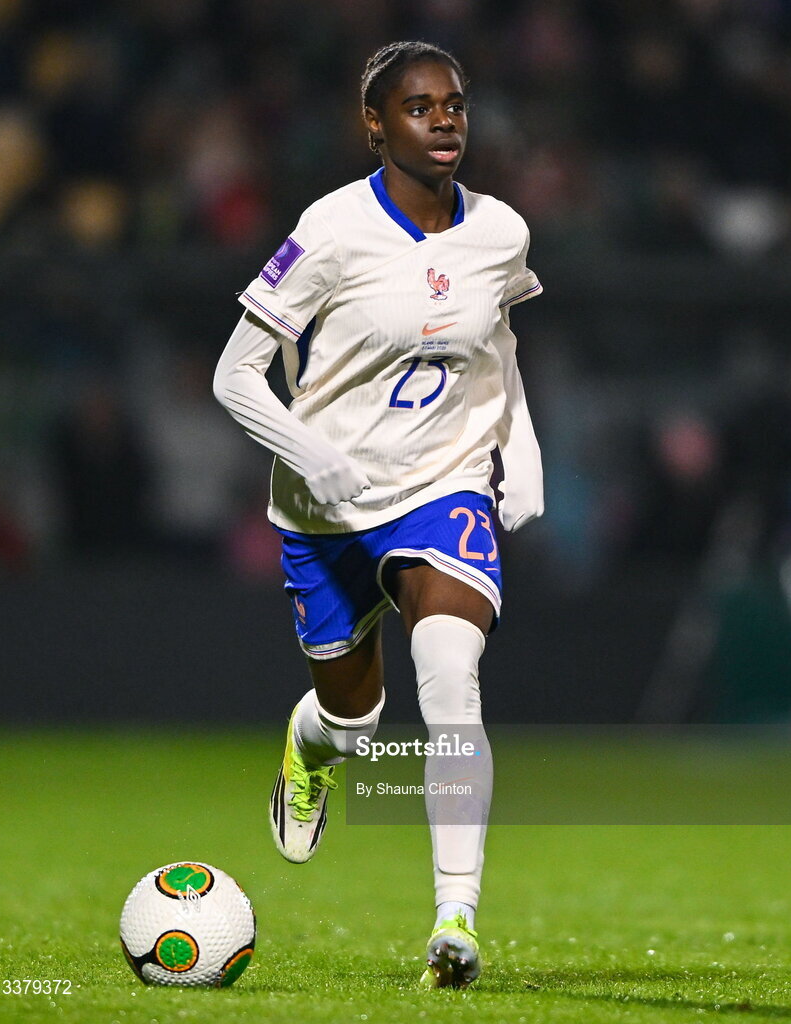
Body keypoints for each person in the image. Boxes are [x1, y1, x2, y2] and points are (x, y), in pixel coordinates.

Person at [213, 40, 543, 989]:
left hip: (440, 487)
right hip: (323, 507)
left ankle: (456, 919)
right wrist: (313, 455)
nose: (445, 121)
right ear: (375, 123)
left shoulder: (503, 232)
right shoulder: (330, 230)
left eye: (455, 105)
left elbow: (500, 343)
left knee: (449, 670)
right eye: (419, 107)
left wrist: (519, 449)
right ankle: (312, 745)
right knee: (357, 716)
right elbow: (232, 375)